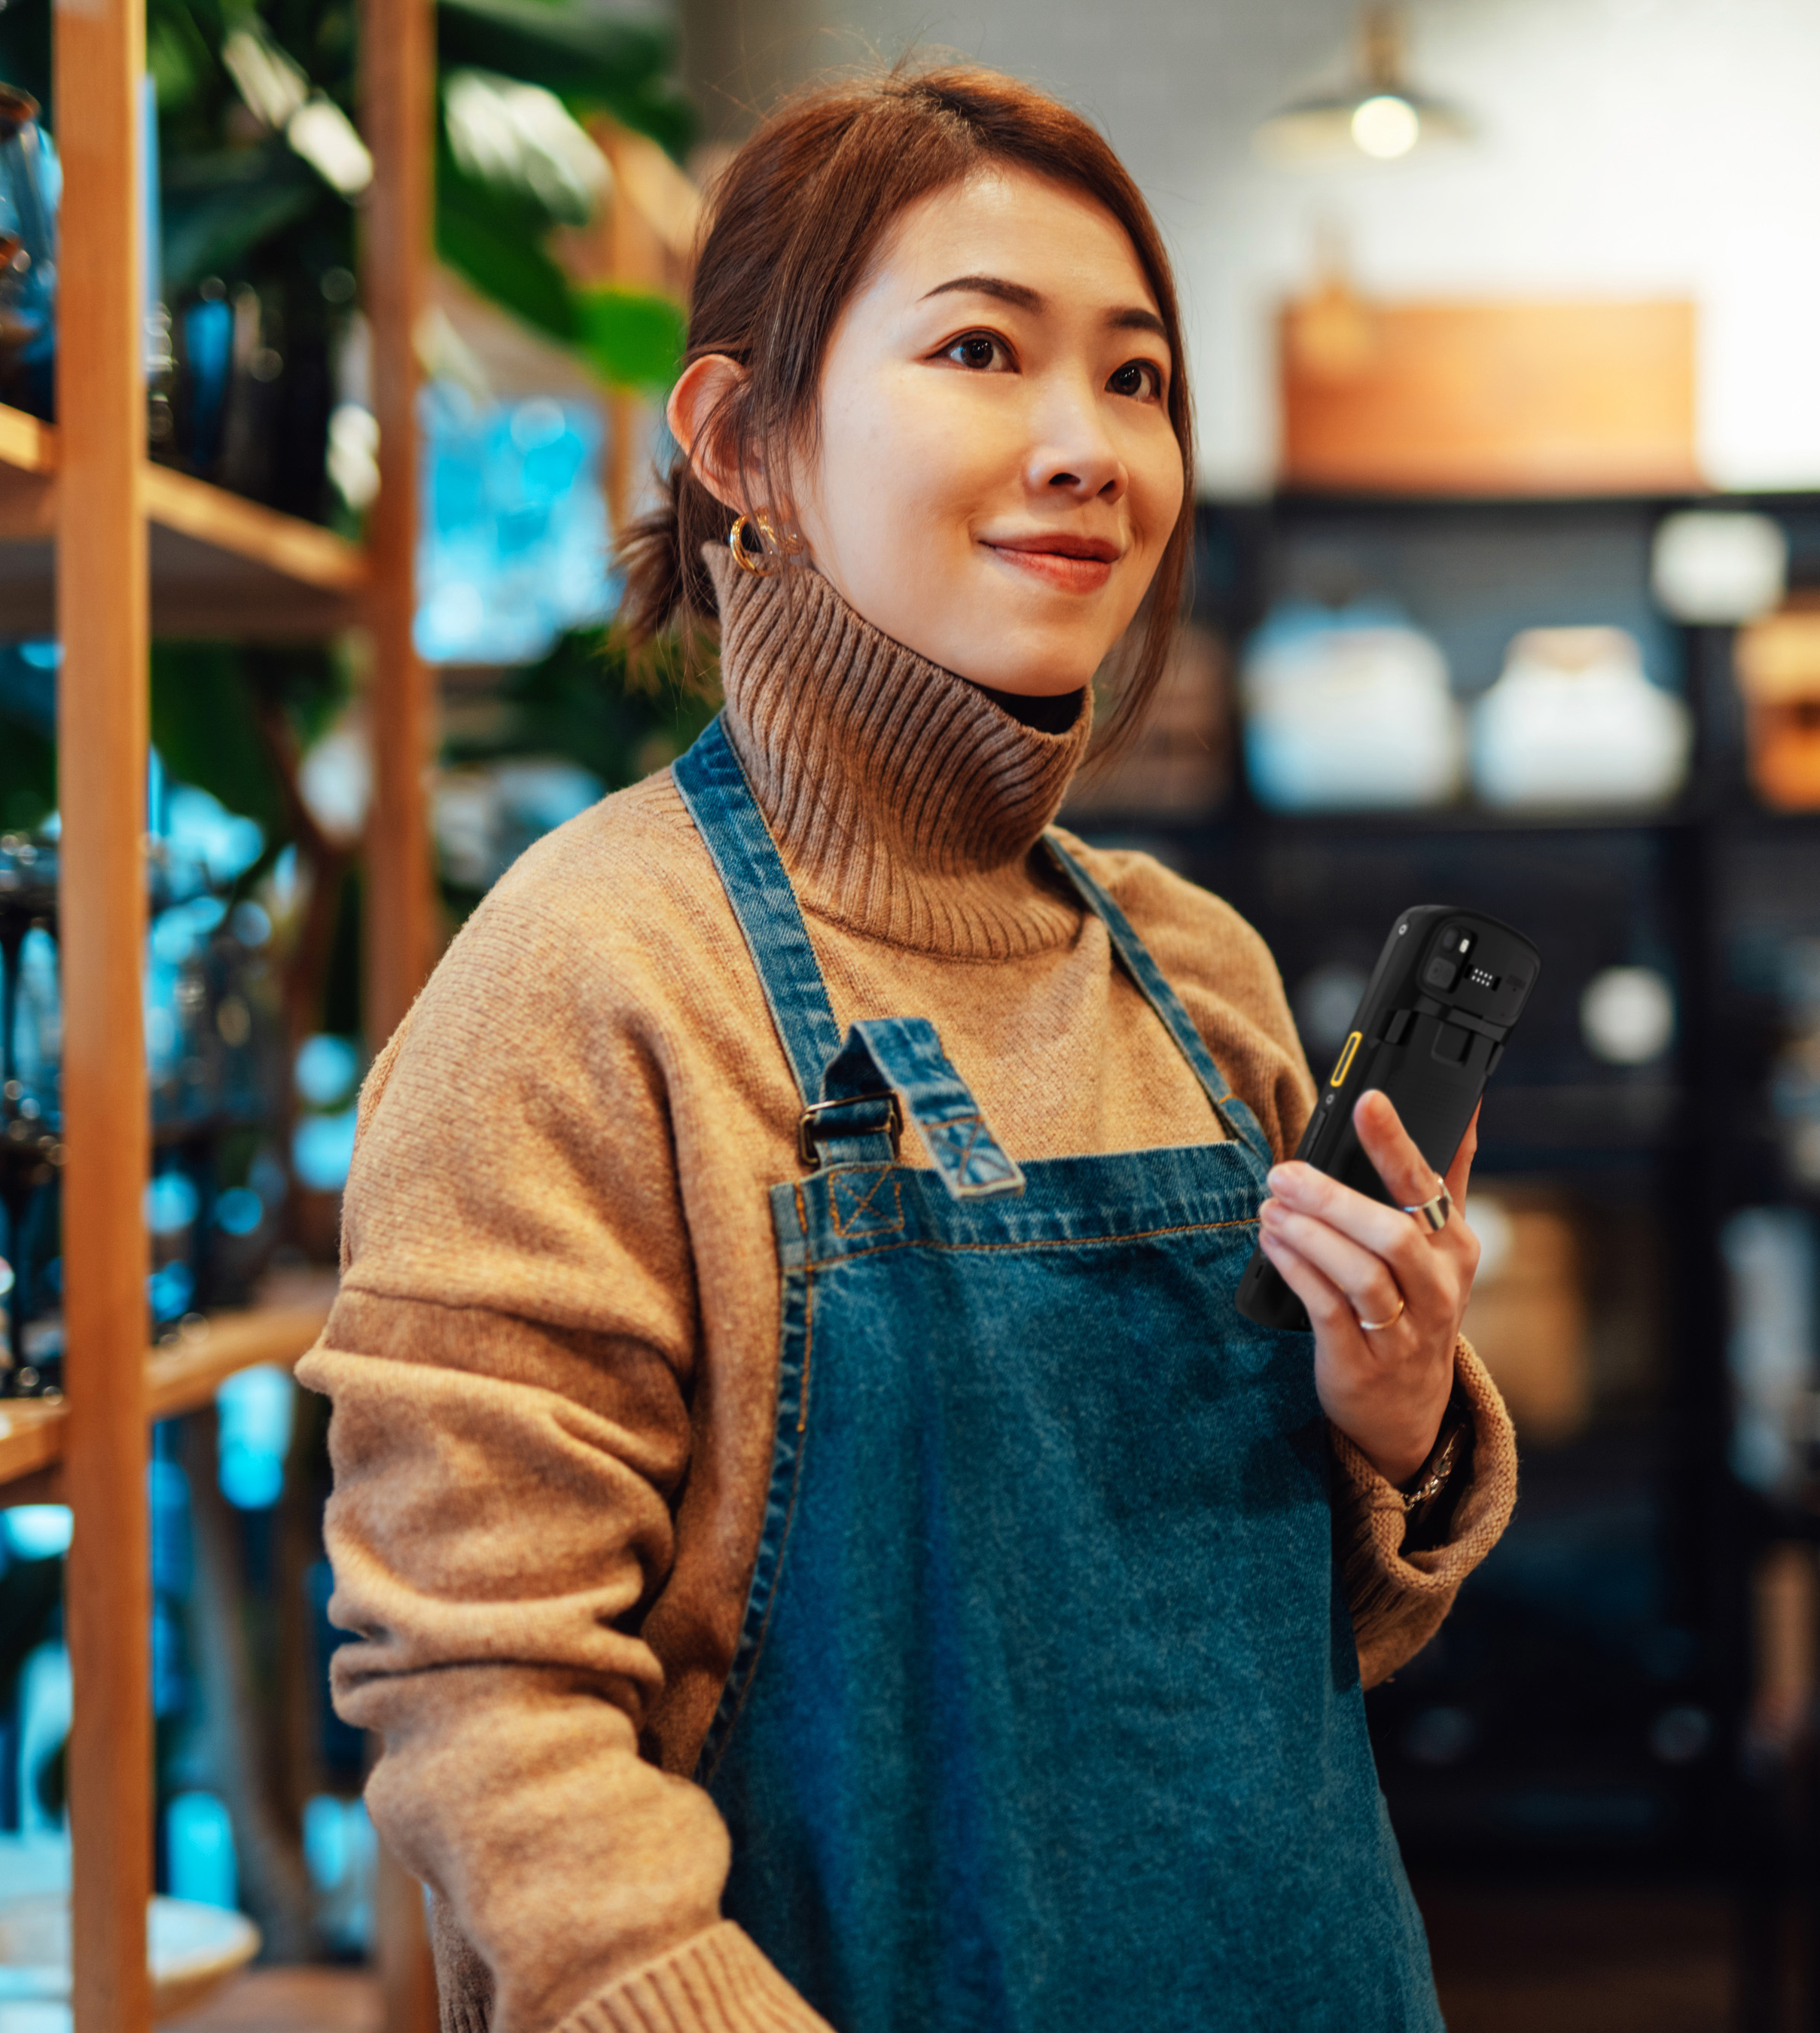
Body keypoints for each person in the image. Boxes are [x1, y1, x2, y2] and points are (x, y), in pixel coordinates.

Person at [305, 62, 1518, 2033]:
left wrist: (1397, 1420)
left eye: (1137, 378)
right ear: (740, 442)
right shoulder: (580, 981)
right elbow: (485, 1707)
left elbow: (1301, 1651)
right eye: (981, 348)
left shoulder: (1188, 972)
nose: (1089, 447)